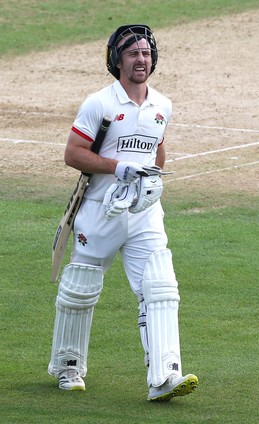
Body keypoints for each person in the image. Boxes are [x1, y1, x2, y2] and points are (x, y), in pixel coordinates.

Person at [48, 24, 198, 401]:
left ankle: (164, 376)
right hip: (100, 211)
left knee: (160, 287)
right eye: (133, 54)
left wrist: (150, 179)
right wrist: (118, 168)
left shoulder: (162, 105)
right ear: (117, 60)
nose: (141, 60)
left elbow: (156, 153)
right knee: (81, 289)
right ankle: (68, 368)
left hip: (145, 212)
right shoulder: (100, 103)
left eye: (146, 53)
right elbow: (73, 154)